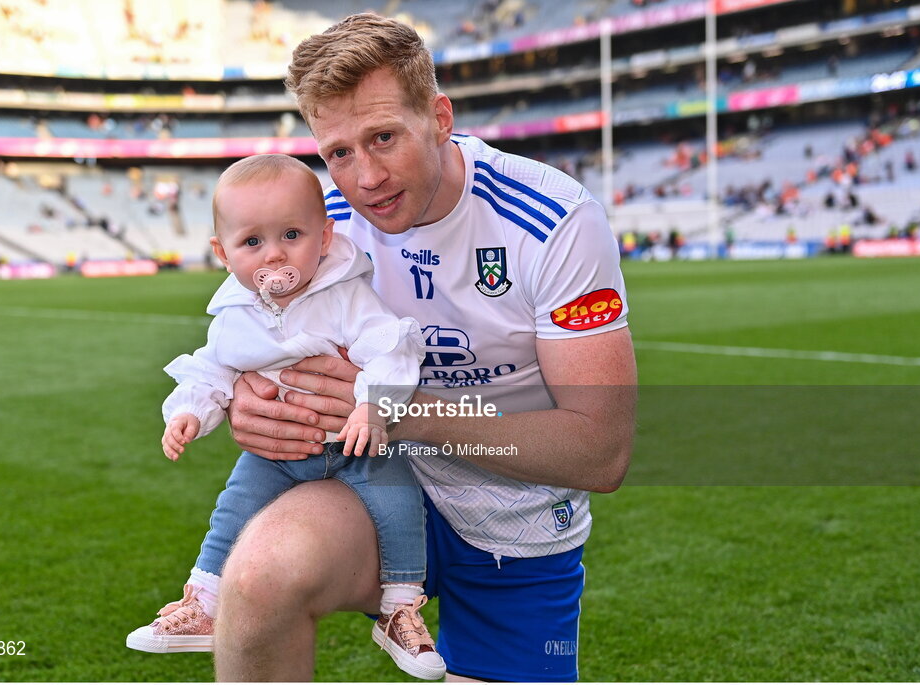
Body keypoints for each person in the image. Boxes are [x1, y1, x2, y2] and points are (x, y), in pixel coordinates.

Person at [147, 13, 635, 682]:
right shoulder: (314, 226)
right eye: (339, 153)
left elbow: (601, 450)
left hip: (513, 518)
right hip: (367, 482)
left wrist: (402, 411)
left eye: (383, 138)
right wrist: (244, 401)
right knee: (257, 576)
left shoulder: (553, 222)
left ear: (438, 117)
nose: (366, 177)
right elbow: (248, 346)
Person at [126, 154, 444, 679]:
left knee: (399, 502)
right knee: (233, 508)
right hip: (276, 455)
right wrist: (188, 412)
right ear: (223, 254)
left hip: (353, 444)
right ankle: (204, 601)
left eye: (292, 235)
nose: (274, 253)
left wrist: (372, 406)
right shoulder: (233, 315)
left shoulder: (345, 294)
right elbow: (212, 370)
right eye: (252, 242)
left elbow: (392, 348)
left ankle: (400, 608)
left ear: (325, 237)